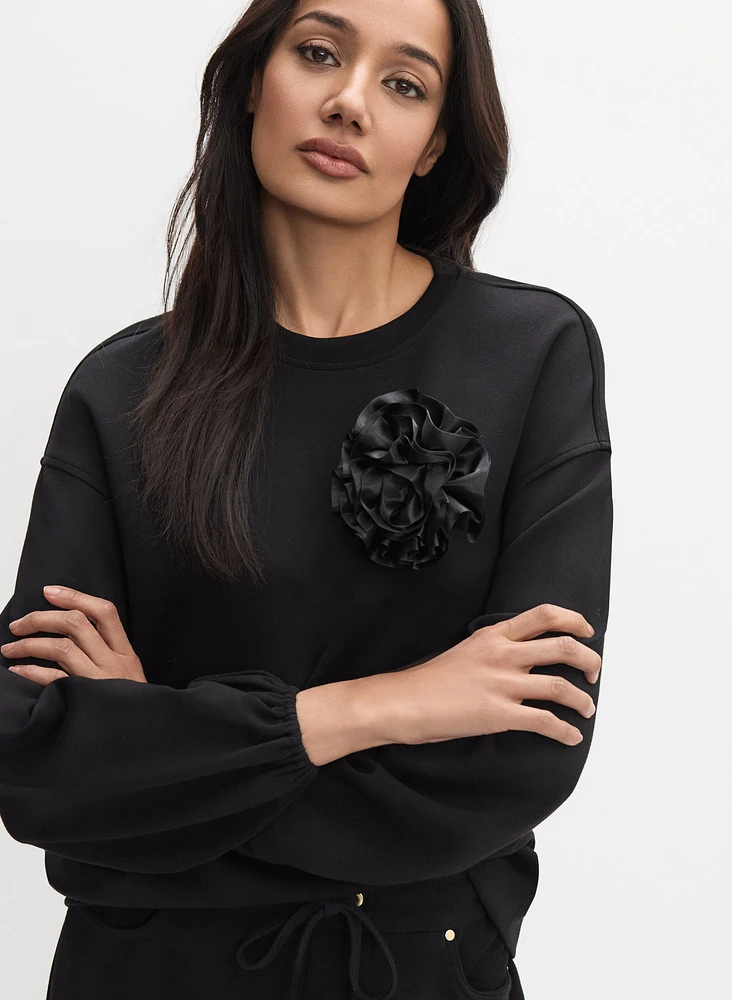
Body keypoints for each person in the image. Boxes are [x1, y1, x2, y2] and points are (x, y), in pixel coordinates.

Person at [0, 1, 612, 998]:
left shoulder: (531, 357)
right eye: (319, 53)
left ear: (435, 144)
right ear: (254, 78)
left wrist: (157, 750)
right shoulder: (119, 391)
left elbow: (522, 751)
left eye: (404, 83)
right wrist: (377, 707)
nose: (349, 102)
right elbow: (38, 766)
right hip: (147, 973)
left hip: (417, 970)